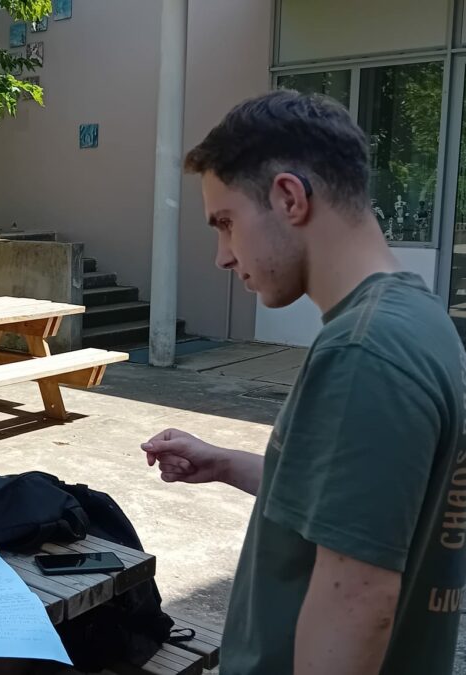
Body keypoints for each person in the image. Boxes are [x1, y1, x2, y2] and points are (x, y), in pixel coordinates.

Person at [141, 90, 466, 674]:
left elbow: (359, 603)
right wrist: (227, 463)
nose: (222, 255)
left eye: (226, 223)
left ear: (289, 198)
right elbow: (366, 502)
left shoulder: (364, 351)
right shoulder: (419, 318)